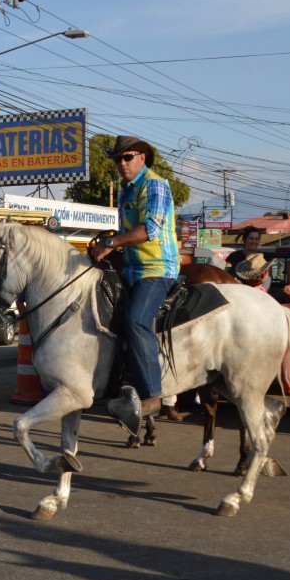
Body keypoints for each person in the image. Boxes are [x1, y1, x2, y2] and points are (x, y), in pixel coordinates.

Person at [90, 135, 179, 435]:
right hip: (130, 269)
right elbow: (124, 232)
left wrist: (111, 242)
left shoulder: (154, 184)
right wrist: (107, 243)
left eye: (128, 157)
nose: (122, 163)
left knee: (136, 320)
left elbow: (149, 229)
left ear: (142, 157)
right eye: (118, 159)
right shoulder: (126, 190)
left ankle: (154, 395)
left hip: (157, 269)